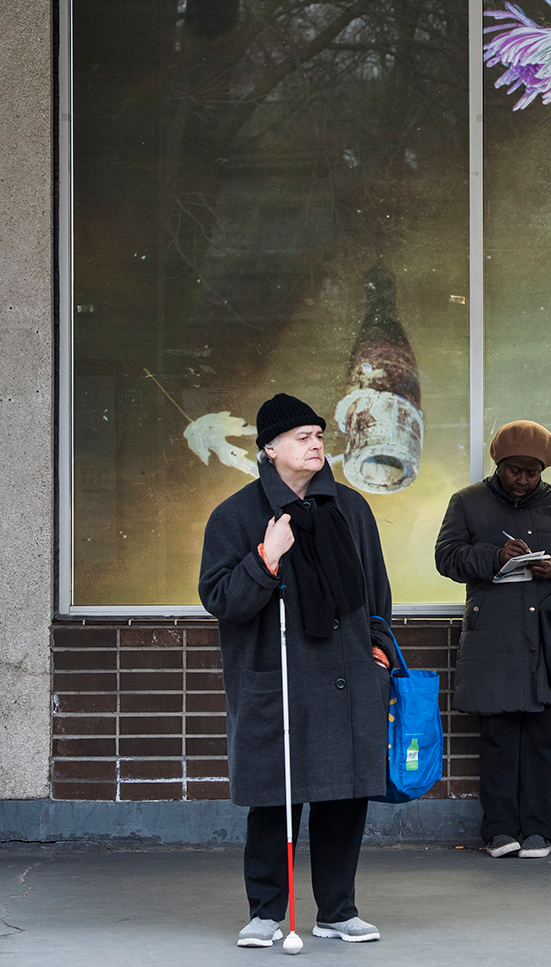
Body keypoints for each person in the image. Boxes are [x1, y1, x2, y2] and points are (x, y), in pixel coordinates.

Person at [198, 393, 395, 949]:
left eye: (319, 436)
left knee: (343, 798)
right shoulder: (236, 515)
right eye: (303, 437)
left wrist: (376, 652)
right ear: (270, 448)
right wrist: (266, 558)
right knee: (274, 800)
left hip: (346, 677)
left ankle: (337, 910)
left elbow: (376, 592)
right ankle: (266, 913)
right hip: (276, 679)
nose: (316, 445)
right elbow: (221, 600)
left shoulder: (350, 509)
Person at [434, 421, 551, 860]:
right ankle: (499, 831)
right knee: (498, 735)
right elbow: (446, 557)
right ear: (499, 464)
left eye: (532, 472)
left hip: (550, 634)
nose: (523, 479)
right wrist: (494, 556)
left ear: (543, 470)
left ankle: (541, 832)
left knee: (545, 736)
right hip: (496, 635)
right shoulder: (468, 502)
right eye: (514, 470)